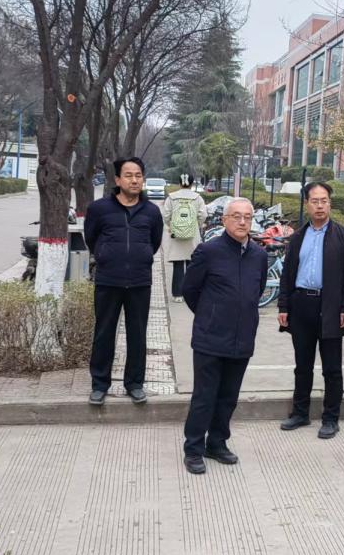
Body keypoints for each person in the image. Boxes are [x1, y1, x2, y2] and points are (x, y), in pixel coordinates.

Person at [181, 198, 268, 474]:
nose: (242, 222)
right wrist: (210, 314)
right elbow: (190, 290)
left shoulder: (259, 255)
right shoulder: (208, 251)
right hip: (210, 338)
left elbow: (257, 290)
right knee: (204, 396)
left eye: (247, 217)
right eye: (236, 216)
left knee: (229, 396)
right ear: (224, 220)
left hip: (242, 337)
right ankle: (193, 448)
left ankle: (217, 443)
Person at [277, 181, 344, 438]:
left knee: (332, 368)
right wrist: (284, 305)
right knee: (302, 365)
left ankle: (331, 418)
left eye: (324, 201)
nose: (320, 206)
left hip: (331, 307)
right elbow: (287, 274)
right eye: (315, 201)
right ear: (307, 204)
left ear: (330, 203)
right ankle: (300, 413)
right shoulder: (297, 237)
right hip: (302, 305)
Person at [84, 156, 164, 406]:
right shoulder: (99, 209)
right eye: (128, 175)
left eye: (138, 175)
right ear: (117, 180)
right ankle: (99, 385)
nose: (134, 180)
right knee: (104, 334)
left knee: (137, 335)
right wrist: (106, 255)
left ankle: (135, 384)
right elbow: (91, 238)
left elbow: (155, 242)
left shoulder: (152, 211)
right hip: (108, 281)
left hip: (139, 281)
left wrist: (140, 257)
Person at [161, 173, 207, 301]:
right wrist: (195, 225)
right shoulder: (197, 198)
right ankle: (190, 293)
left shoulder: (171, 197)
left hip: (176, 235)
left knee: (178, 264)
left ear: (179, 183)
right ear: (191, 184)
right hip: (192, 235)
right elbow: (203, 215)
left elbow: (166, 215)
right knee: (192, 265)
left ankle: (177, 295)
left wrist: (172, 226)